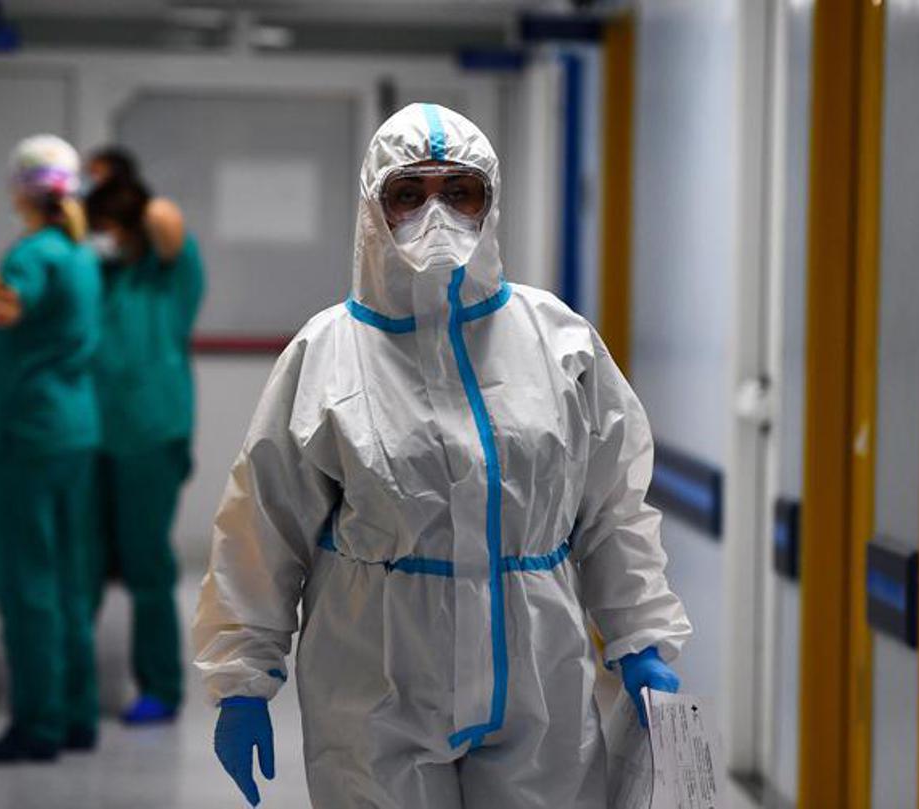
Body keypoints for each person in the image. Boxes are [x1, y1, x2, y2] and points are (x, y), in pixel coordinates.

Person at [193, 103, 692, 808]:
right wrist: (242, 678)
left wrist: (640, 635)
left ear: (490, 200)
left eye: (460, 192)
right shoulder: (327, 353)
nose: (436, 215)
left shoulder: (558, 341)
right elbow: (262, 527)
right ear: (374, 209)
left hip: (537, 676)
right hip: (378, 682)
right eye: (409, 194)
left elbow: (612, 508)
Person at [0, 134, 102, 762]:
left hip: (24, 435)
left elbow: (4, 310)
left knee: (27, 581)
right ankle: (76, 717)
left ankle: (38, 725)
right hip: (70, 431)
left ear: (20, 191)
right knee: (67, 579)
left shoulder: (35, 254)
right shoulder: (79, 254)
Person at [84, 173, 205, 724]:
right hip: (93, 438)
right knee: (81, 567)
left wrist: (124, 194)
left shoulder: (167, 273)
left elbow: (165, 221)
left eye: (110, 227)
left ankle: (159, 686)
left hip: (151, 437)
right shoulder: (100, 275)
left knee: (146, 564)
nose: (103, 237)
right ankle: (70, 689)